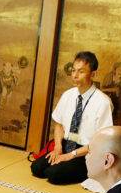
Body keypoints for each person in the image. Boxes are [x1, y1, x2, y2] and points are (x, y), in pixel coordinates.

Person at [31, 51, 113, 185]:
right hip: (66, 144)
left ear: (93, 74)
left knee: (54, 174)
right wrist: (58, 148)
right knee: (37, 168)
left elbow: (101, 142)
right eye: (73, 70)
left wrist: (70, 156)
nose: (75, 75)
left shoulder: (103, 102)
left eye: (81, 72)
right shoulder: (68, 95)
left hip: (85, 152)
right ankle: (63, 160)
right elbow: (58, 124)